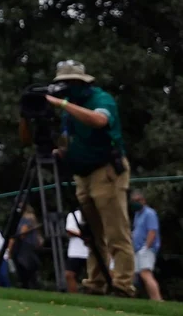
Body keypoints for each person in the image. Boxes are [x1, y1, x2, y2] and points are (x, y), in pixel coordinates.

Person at [49, 59, 135, 296]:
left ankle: (122, 283)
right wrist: (61, 151)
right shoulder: (70, 108)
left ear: (78, 83)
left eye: (67, 84)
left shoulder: (99, 99)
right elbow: (70, 137)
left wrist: (63, 104)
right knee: (92, 233)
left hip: (106, 171)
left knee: (115, 230)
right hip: (83, 173)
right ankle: (96, 282)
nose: (64, 88)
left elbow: (99, 120)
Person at [130, 190, 161, 300]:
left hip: (146, 249)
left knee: (146, 274)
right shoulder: (137, 214)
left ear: (143, 200)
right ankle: (153, 300)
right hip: (137, 249)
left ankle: (157, 299)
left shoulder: (150, 213)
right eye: (134, 201)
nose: (136, 203)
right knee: (139, 276)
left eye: (138, 200)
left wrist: (146, 247)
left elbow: (152, 231)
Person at [11, 203, 43, 290]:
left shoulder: (26, 217)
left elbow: (23, 232)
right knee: (30, 265)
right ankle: (32, 284)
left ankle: (27, 285)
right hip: (31, 244)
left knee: (25, 265)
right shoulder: (32, 217)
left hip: (25, 244)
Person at [63, 209, 90, 293]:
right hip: (75, 251)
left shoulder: (95, 214)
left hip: (91, 252)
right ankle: (74, 296)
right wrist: (83, 235)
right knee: (69, 275)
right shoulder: (73, 215)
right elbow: (70, 231)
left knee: (93, 277)